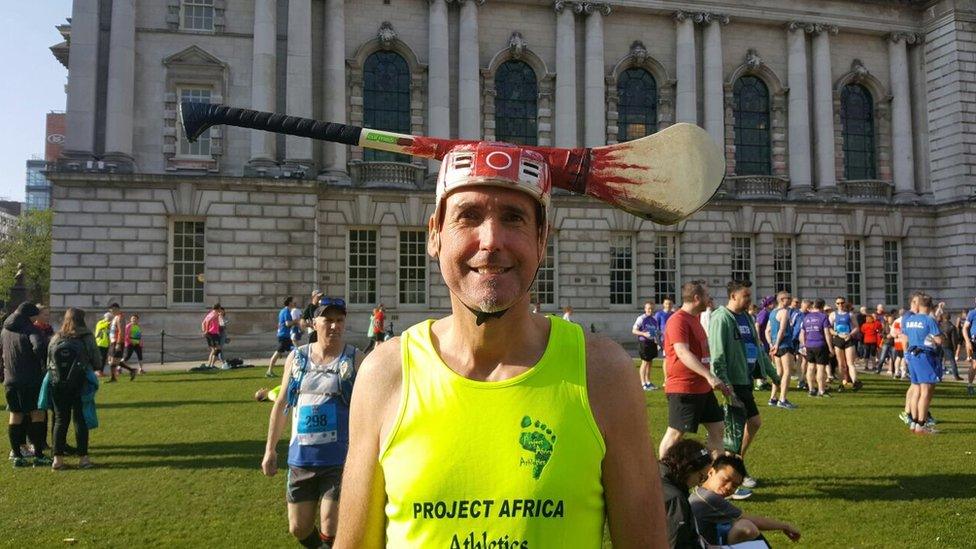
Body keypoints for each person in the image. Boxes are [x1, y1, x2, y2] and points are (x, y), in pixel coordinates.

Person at [336, 142, 667, 547]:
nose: (491, 240)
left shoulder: (604, 373)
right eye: (468, 216)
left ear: (542, 239)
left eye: (513, 218)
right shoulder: (384, 374)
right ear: (434, 235)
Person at [262, 298, 362, 548]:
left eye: (340, 320)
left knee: (331, 523)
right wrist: (270, 450)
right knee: (298, 527)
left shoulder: (355, 358)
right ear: (314, 323)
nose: (334, 326)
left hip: (340, 460)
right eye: (328, 319)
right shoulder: (297, 359)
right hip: (302, 459)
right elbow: (282, 404)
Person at [708, 279, 780, 500]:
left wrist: (772, 373)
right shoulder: (721, 318)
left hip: (745, 379)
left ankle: (733, 466)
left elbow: (757, 348)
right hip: (734, 382)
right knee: (740, 429)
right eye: (746, 296)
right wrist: (725, 384)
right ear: (733, 297)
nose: (750, 299)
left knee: (741, 428)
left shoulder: (747, 317)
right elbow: (717, 354)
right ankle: (730, 473)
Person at [659, 281, 729, 459]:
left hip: (702, 387)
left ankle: (713, 478)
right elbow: (682, 352)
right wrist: (709, 376)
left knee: (717, 428)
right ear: (697, 298)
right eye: (707, 295)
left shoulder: (695, 319)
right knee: (675, 434)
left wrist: (710, 378)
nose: (710, 299)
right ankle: (663, 477)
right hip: (684, 388)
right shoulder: (678, 320)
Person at [689, 455, 801, 546]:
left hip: (712, 541)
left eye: (734, 486)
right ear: (711, 472)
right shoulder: (708, 498)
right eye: (725, 479)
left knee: (744, 527)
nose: (728, 487)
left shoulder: (699, 491)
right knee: (746, 525)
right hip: (708, 546)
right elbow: (750, 519)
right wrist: (785, 526)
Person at [47, 308, 100, 470]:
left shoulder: (56, 337)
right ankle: (83, 458)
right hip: (80, 382)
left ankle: (58, 459)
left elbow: (48, 361)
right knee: (80, 420)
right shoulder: (86, 337)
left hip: (57, 384)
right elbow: (97, 361)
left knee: (60, 420)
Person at [1, 302, 51, 467]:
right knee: (37, 414)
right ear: (31, 316)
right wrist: (43, 363)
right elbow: (39, 346)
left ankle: (17, 456)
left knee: (15, 415)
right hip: (30, 379)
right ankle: (38, 454)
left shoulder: (5, 330)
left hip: (10, 379)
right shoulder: (31, 329)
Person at [900, 294, 943, 434]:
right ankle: (921, 424)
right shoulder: (929, 320)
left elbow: (905, 336)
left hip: (912, 354)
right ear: (930, 306)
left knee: (916, 390)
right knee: (925, 390)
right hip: (924, 355)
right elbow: (939, 340)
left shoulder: (910, 319)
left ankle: (913, 422)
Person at [660, 439, 713, 549]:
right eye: (701, 477)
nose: (700, 483)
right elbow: (677, 544)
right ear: (689, 469)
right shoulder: (676, 499)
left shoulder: (656, 470)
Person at [765, 291, 797, 409]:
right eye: (788, 298)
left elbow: (767, 331)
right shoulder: (784, 312)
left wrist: (771, 344)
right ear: (782, 299)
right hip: (784, 345)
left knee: (778, 373)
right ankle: (782, 399)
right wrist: (777, 344)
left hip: (775, 346)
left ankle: (773, 398)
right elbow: (782, 330)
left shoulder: (773, 313)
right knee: (787, 372)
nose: (790, 300)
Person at [799, 299, 833, 397]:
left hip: (809, 345)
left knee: (810, 367)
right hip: (820, 344)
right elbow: (827, 333)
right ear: (822, 307)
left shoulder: (806, 317)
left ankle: (811, 389)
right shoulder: (823, 317)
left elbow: (802, 334)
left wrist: (804, 345)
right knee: (820, 368)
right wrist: (830, 347)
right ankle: (821, 390)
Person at [829, 297, 862, 391]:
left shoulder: (850, 314)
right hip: (838, 339)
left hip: (848, 339)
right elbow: (829, 328)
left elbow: (856, 327)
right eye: (838, 303)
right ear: (835, 304)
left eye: (842, 303)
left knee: (850, 363)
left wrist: (850, 334)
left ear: (845, 303)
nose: (840, 305)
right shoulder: (833, 315)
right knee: (841, 364)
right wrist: (836, 334)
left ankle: (855, 382)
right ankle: (841, 384)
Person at [632, 300, 661, 391]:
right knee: (644, 362)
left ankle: (648, 382)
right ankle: (643, 383)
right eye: (648, 308)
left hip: (652, 343)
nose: (650, 310)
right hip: (643, 343)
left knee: (650, 362)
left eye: (652, 309)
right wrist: (643, 334)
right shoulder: (641, 318)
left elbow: (656, 332)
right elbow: (634, 330)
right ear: (645, 309)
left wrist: (657, 342)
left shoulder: (654, 319)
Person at [268, 297, 296, 378]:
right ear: (290, 302)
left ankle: (291, 370)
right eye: (293, 301)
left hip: (285, 335)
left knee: (293, 352)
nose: (295, 303)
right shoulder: (286, 311)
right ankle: (269, 371)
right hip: (284, 336)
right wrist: (297, 321)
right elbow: (287, 323)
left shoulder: (283, 311)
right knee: (279, 353)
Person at [108, 306, 136, 381]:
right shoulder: (115, 317)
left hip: (117, 342)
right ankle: (132, 370)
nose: (111, 312)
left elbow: (121, 331)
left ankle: (113, 378)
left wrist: (119, 343)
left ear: (116, 309)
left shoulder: (120, 317)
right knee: (111, 360)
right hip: (113, 341)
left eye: (112, 311)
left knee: (113, 361)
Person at [201, 304, 223, 370]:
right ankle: (211, 365)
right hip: (213, 333)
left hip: (211, 333)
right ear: (218, 308)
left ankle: (209, 365)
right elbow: (207, 321)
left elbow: (203, 322)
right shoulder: (214, 314)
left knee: (214, 350)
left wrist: (204, 330)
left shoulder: (210, 313)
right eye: (220, 308)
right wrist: (206, 331)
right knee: (218, 349)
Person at [963, 298, 976, 396]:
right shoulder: (972, 313)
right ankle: (970, 385)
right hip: (975, 340)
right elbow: (965, 328)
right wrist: (967, 341)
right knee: (974, 365)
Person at [94, 312, 112, 376]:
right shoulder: (100, 322)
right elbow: (101, 326)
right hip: (100, 343)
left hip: (106, 344)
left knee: (104, 359)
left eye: (110, 318)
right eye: (108, 317)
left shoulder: (109, 325)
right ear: (105, 317)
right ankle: (97, 371)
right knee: (100, 358)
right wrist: (109, 323)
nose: (109, 319)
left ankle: (101, 371)